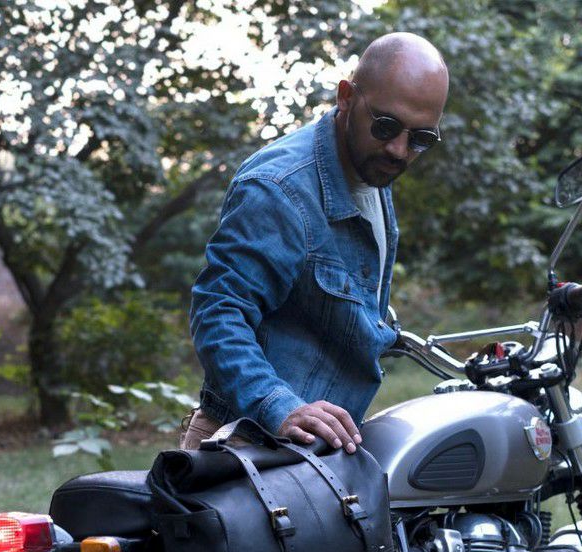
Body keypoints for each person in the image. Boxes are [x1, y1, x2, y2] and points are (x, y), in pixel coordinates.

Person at [182, 32, 449, 451]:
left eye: (420, 139)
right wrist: (279, 406)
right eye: (386, 126)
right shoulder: (278, 188)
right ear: (346, 97)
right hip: (246, 449)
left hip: (317, 455)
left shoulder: (370, 169)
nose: (399, 150)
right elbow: (219, 311)